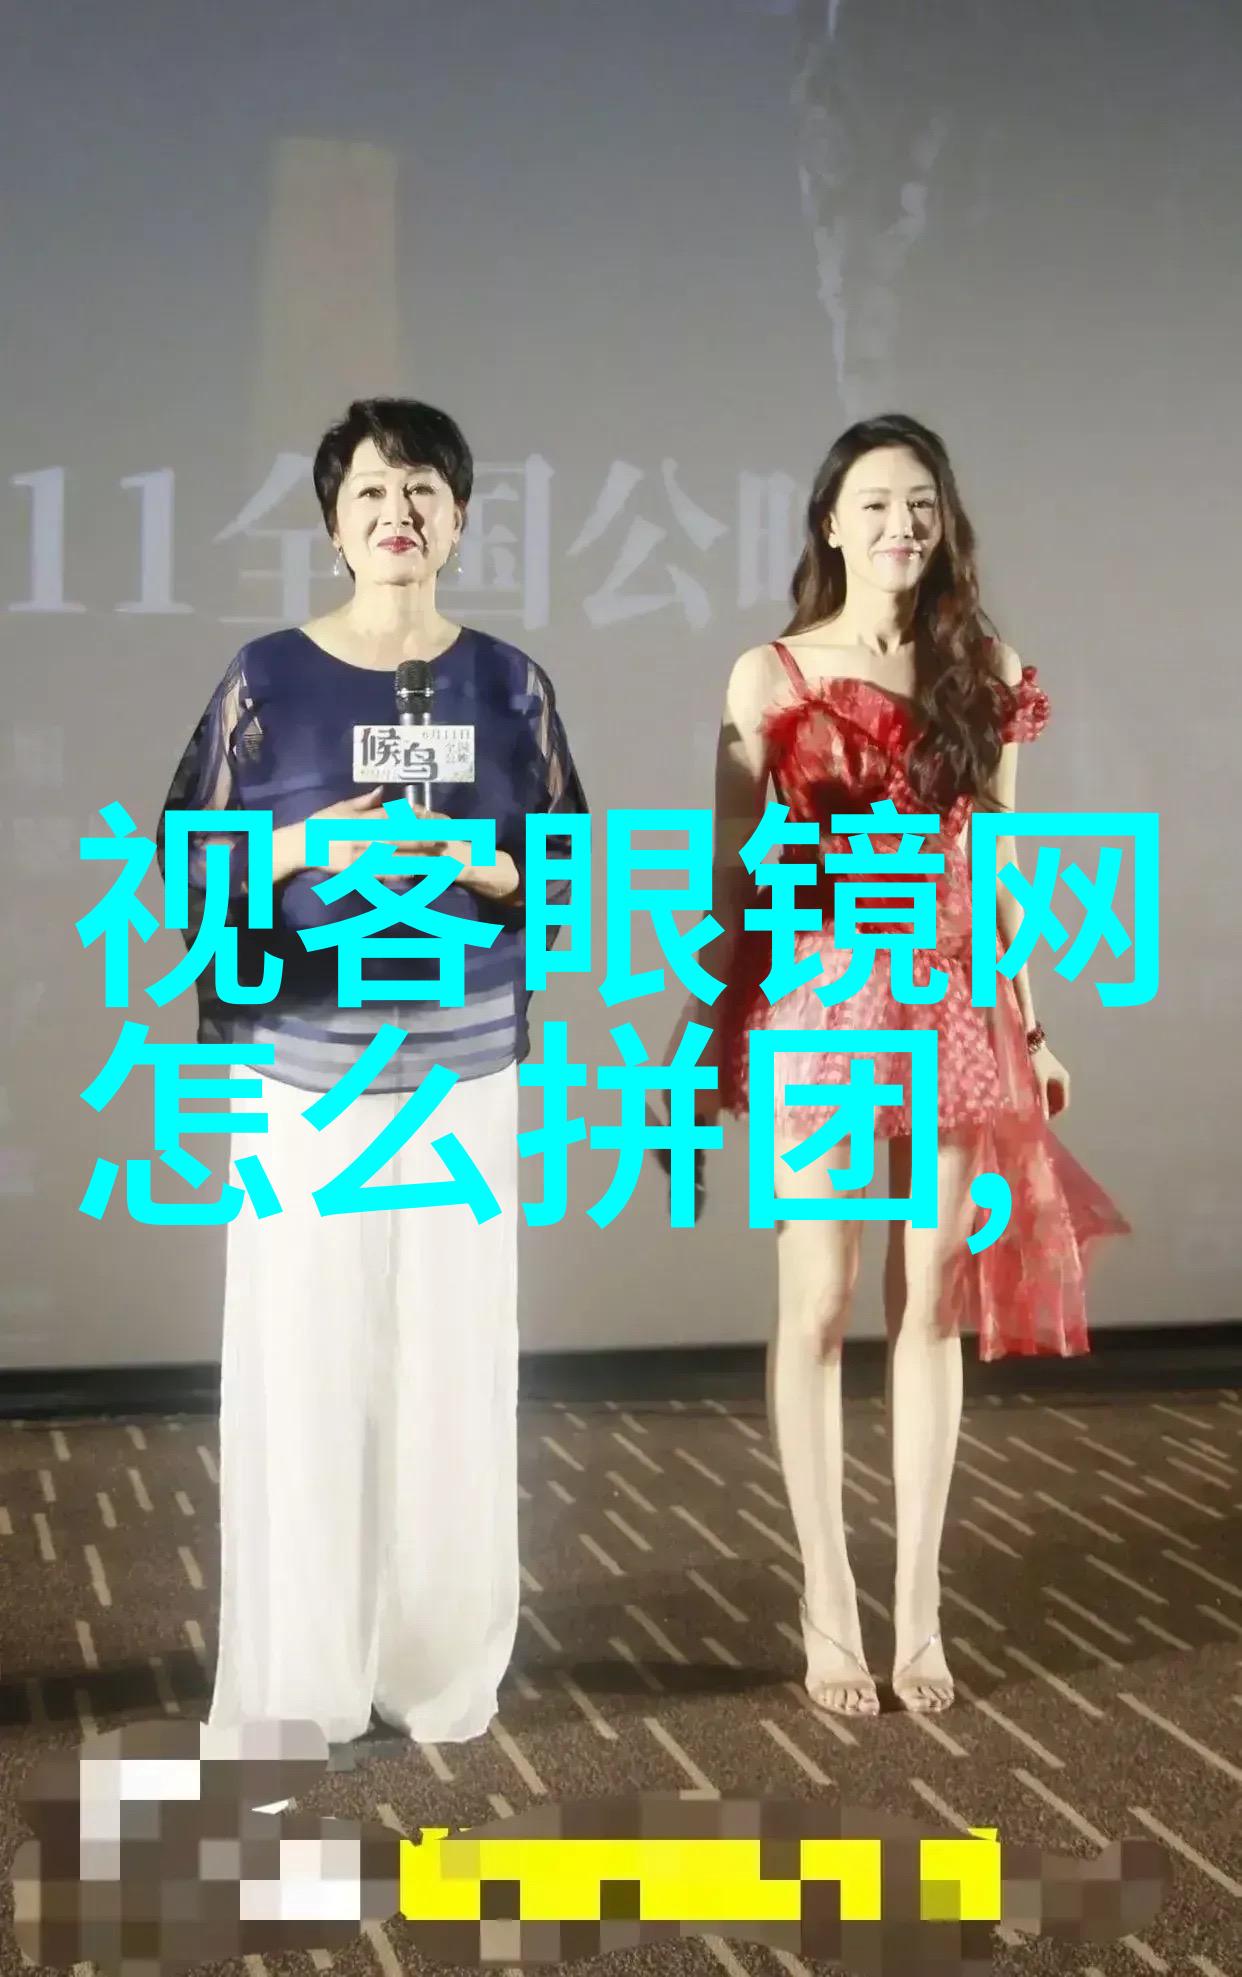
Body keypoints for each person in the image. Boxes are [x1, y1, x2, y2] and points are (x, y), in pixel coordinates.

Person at [680, 413, 1127, 1718]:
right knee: (817, 1301)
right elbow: (730, 881)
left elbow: (996, 864)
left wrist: (1031, 1026)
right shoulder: (768, 675)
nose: (899, 525)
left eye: (919, 503)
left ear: (945, 522)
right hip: (816, 1003)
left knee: (930, 1299)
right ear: (830, 523)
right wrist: (701, 1030)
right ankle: (827, 1607)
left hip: (950, 1002)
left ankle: (918, 1613)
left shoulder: (985, 666)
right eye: (873, 503)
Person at [157, 397, 587, 1745]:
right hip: (307, 1075)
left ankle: (437, 1665)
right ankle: (302, 1673)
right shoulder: (266, 678)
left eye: (422, 491)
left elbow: (569, 872)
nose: (397, 512)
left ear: (457, 522)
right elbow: (180, 863)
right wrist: (304, 850)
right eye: (369, 493)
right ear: (334, 528)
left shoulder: (511, 685)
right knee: (305, 1366)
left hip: (460, 1071)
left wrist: (484, 866)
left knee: (452, 1368)